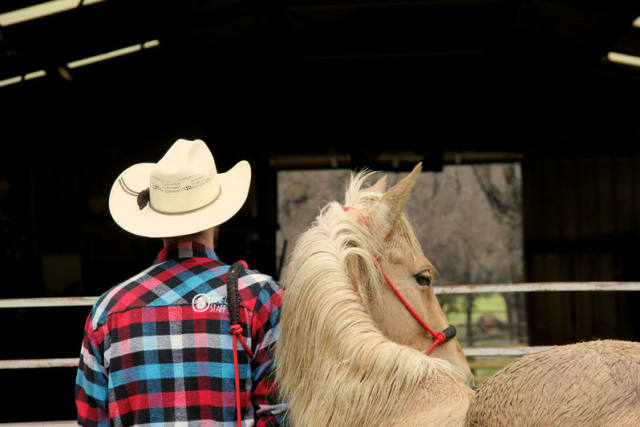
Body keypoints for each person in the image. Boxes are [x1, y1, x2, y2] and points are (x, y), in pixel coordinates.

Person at [75, 139, 286, 426]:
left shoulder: (108, 311)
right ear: (217, 216)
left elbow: (92, 419)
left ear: (154, 219)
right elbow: (279, 414)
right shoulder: (261, 297)